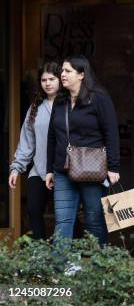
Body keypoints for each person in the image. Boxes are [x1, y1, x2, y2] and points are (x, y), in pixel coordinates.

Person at [46, 56, 120, 246]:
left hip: (92, 169)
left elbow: (111, 133)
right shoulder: (60, 101)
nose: (62, 74)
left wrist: (113, 167)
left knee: (94, 221)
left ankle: (98, 269)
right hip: (62, 170)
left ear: (81, 75)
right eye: (62, 71)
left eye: (67, 71)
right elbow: (52, 137)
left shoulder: (99, 99)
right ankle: (58, 270)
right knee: (62, 221)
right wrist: (49, 169)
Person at [8, 61, 61, 239]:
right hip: (38, 171)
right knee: (33, 210)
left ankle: (67, 256)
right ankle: (40, 254)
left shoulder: (69, 105)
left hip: (63, 171)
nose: (47, 83)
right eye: (44, 80)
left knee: (66, 216)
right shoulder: (35, 108)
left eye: (52, 79)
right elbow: (26, 142)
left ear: (60, 79)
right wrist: (16, 168)